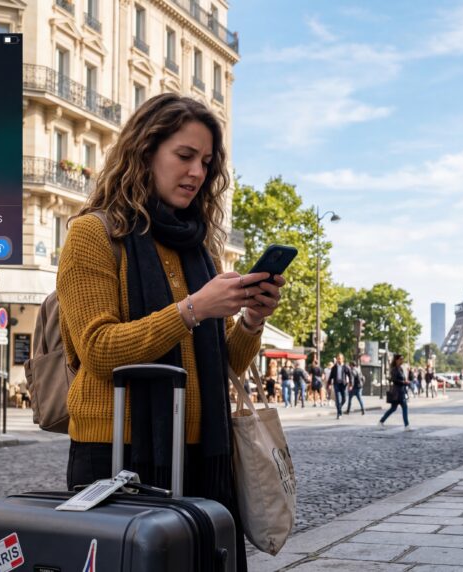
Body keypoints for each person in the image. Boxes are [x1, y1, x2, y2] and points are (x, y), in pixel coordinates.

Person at [56, 94, 286, 572]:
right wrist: (192, 309)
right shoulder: (92, 235)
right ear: (145, 151)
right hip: (115, 453)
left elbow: (221, 364)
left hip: (202, 452)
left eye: (206, 162)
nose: (198, 173)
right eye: (184, 156)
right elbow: (99, 350)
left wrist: (251, 320)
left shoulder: (198, 248)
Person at [379, 354, 411, 430]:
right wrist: (404, 382)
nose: (402, 360)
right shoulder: (394, 369)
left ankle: (381, 422)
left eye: (402, 359)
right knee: (404, 407)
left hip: (401, 391)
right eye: (401, 359)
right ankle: (407, 425)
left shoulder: (400, 368)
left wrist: (406, 379)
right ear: (396, 360)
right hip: (397, 392)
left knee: (393, 408)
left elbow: (403, 378)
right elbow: (394, 380)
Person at [327, 353, 352, 419]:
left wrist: (350, 385)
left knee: (344, 399)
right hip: (336, 384)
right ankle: (339, 413)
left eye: (340, 359)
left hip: (343, 385)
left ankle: (339, 406)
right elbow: (331, 376)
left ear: (342, 359)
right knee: (338, 399)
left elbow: (350, 375)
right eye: (338, 359)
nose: (339, 360)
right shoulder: (334, 367)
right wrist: (329, 384)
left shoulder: (346, 367)